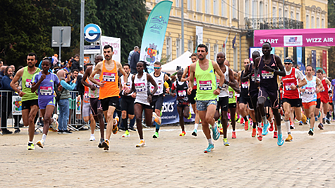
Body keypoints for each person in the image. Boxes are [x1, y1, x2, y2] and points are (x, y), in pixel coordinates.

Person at [187, 44, 226, 153]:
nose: (200, 53)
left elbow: (222, 76)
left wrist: (219, 88)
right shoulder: (193, 66)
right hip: (200, 97)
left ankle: (214, 127)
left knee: (209, 118)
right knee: (203, 123)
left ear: (206, 53)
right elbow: (190, 79)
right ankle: (210, 143)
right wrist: (190, 87)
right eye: (198, 51)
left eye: (202, 51)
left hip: (211, 96)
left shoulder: (212, 64)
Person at [89, 45, 128, 150]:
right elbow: (90, 77)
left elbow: (125, 74)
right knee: (108, 118)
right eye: (105, 52)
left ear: (112, 53)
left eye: (108, 52)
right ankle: (115, 123)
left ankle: (107, 141)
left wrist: (124, 84)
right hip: (103, 94)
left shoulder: (117, 64)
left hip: (114, 93)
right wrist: (98, 83)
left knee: (110, 114)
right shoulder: (100, 65)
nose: (107, 54)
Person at [254, 42, 286, 146]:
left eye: (267, 48)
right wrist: (256, 78)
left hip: (273, 88)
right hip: (263, 86)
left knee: (275, 111)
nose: (265, 50)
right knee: (259, 103)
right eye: (263, 49)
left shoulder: (275, 59)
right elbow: (255, 70)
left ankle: (280, 134)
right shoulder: (258, 60)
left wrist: (272, 70)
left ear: (271, 49)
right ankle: (265, 123)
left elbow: (283, 73)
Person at [10, 53, 40, 149]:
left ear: (35, 61)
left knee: (31, 119)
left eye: (32, 59)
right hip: (25, 98)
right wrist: (18, 91)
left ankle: (30, 142)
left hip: (35, 98)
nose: (30, 61)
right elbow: (12, 83)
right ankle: (33, 123)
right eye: (28, 59)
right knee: (26, 122)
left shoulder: (39, 72)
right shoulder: (22, 71)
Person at [125, 61, 158, 147]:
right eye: (137, 66)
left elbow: (156, 86)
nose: (139, 68)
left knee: (148, 123)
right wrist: (128, 92)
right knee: (138, 118)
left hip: (147, 100)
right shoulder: (134, 77)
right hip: (138, 100)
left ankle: (154, 117)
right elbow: (133, 89)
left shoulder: (147, 76)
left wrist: (151, 94)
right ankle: (141, 140)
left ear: (143, 68)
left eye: (140, 66)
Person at [31, 58, 61, 148]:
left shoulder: (53, 76)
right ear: (41, 65)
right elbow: (32, 89)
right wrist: (40, 80)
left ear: (50, 66)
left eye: (47, 65)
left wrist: (59, 88)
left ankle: (42, 140)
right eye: (43, 65)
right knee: (46, 119)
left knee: (46, 117)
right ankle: (54, 120)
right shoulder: (36, 76)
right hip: (41, 99)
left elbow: (59, 84)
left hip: (50, 99)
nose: (45, 66)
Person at [213, 53, 239, 146]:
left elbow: (233, 82)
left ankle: (224, 137)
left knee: (224, 116)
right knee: (215, 116)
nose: (219, 59)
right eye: (218, 57)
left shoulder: (228, 70)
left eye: (221, 57)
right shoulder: (213, 69)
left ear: (224, 58)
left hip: (224, 94)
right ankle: (214, 128)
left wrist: (228, 83)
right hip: (214, 95)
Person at [280, 57, 307, 142]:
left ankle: (302, 115)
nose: (287, 65)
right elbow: (278, 81)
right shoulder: (282, 72)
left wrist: (297, 86)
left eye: (288, 64)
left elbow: (304, 81)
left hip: (295, 96)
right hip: (286, 96)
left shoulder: (296, 71)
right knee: (287, 113)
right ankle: (289, 134)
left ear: (291, 64)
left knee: (298, 118)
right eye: (285, 64)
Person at [82, 55, 106, 146]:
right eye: (97, 60)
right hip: (92, 96)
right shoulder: (89, 69)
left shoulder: (105, 70)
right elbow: (82, 81)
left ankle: (102, 138)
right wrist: (89, 86)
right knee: (96, 117)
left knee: (100, 113)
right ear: (94, 61)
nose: (99, 61)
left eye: (101, 60)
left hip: (102, 95)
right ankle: (110, 124)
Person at [242, 51, 261, 139]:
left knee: (259, 107)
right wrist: (250, 74)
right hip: (252, 90)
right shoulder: (249, 67)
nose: (255, 59)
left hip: (261, 90)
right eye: (254, 58)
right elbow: (243, 79)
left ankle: (260, 127)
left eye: (257, 57)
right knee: (254, 111)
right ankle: (255, 126)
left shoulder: (263, 66)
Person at [300, 65, 323, 136]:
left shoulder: (315, 79)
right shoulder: (303, 79)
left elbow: (321, 87)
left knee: (312, 113)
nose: (309, 71)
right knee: (308, 115)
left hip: (312, 98)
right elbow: (298, 87)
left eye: (310, 70)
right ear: (305, 71)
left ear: (312, 71)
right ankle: (311, 121)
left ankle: (311, 129)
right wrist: (301, 90)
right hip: (304, 99)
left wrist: (318, 90)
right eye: (307, 70)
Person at [181, 53, 200, 136]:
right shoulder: (188, 68)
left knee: (198, 110)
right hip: (190, 90)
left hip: (199, 90)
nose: (193, 60)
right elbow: (181, 79)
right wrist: (186, 79)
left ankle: (195, 129)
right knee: (195, 110)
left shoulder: (201, 68)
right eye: (192, 59)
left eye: (195, 59)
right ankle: (199, 122)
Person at [150, 61, 170, 138]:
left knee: (157, 112)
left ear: (160, 68)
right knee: (151, 114)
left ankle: (156, 132)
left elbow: (169, 82)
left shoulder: (163, 76)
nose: (156, 69)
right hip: (151, 96)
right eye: (155, 68)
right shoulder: (150, 75)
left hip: (159, 96)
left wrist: (168, 88)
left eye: (158, 68)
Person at [57, 69, 77, 134]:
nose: (65, 75)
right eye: (64, 74)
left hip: (60, 99)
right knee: (65, 114)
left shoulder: (59, 81)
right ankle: (64, 128)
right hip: (64, 99)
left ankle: (60, 128)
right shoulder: (62, 81)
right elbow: (71, 88)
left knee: (61, 114)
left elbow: (68, 83)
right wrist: (74, 83)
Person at [171, 70, 190, 136]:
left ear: (183, 75)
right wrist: (171, 93)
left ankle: (188, 113)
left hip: (186, 100)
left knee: (186, 115)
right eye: (178, 75)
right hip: (178, 101)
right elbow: (172, 90)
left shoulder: (186, 82)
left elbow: (190, 88)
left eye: (181, 75)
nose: (179, 76)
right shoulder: (175, 83)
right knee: (180, 116)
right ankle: (183, 130)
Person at [120, 63, 135, 138]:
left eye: (126, 69)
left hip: (131, 97)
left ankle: (131, 124)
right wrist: (120, 91)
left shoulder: (133, 77)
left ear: (129, 69)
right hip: (124, 97)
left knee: (131, 116)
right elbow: (119, 86)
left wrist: (134, 93)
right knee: (123, 113)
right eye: (124, 69)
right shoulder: (121, 78)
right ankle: (126, 130)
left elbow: (136, 86)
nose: (125, 70)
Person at [238, 59, 252, 131]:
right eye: (245, 63)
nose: (246, 64)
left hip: (250, 93)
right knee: (241, 108)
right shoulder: (241, 73)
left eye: (247, 63)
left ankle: (254, 123)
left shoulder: (252, 72)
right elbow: (239, 82)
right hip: (243, 93)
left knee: (252, 110)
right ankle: (246, 120)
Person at [1, 66, 15, 134]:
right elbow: (8, 86)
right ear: (6, 71)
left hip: (8, 96)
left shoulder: (9, 78)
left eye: (11, 71)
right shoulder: (5, 78)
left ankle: (4, 127)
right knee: (4, 112)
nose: (10, 72)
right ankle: (3, 128)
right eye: (9, 71)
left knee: (7, 112)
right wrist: (16, 88)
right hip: (5, 97)